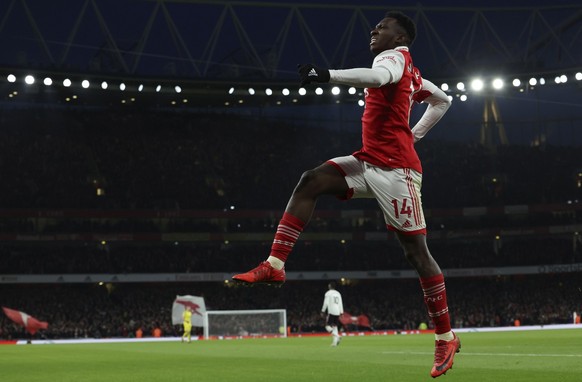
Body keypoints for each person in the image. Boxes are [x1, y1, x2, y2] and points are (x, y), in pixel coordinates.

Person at [233, 10, 460, 378]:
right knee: (312, 180)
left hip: (397, 172)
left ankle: (445, 336)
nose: (374, 30)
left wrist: (327, 75)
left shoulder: (393, 59)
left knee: (417, 254)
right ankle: (275, 266)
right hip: (370, 161)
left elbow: (378, 76)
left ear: (400, 36)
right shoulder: (414, 74)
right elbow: (443, 101)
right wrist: (413, 134)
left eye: (382, 26)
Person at [321, 282, 344, 347]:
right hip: (337, 311)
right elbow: (340, 303)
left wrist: (322, 311)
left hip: (331, 311)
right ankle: (334, 343)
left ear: (330, 286)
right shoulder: (338, 293)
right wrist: (341, 312)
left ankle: (338, 336)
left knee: (327, 326)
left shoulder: (328, 293)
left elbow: (325, 303)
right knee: (334, 326)